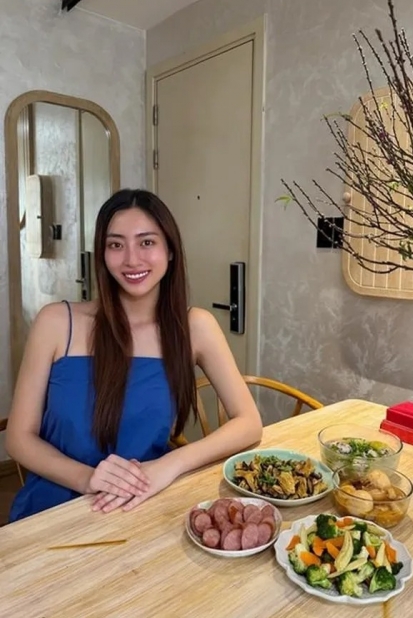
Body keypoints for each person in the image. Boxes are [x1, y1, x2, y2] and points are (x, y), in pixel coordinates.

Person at [6, 189, 262, 521]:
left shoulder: (194, 327)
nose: (131, 259)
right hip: (53, 508)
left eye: (147, 242)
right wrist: (87, 478)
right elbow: (19, 438)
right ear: (102, 254)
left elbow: (249, 423)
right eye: (116, 245)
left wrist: (170, 464)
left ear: (170, 250)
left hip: (143, 503)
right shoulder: (56, 322)